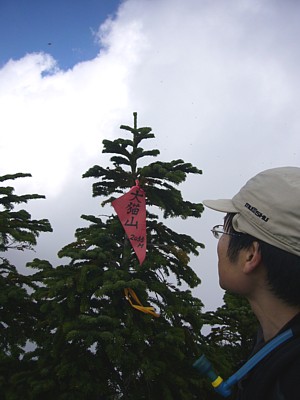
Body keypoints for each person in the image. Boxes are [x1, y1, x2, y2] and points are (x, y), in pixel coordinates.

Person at [203, 166, 300, 400]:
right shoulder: (278, 350)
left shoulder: (290, 382)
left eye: (224, 232)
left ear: (250, 256)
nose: (220, 244)